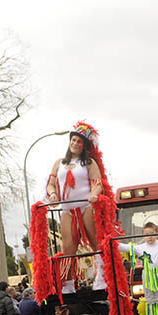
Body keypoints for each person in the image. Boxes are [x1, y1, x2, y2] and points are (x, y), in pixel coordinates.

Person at [45, 121, 105, 293]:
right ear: (69, 141)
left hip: (86, 206)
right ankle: (68, 283)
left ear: (84, 145)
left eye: (79, 141)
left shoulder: (89, 162)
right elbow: (51, 184)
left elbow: (97, 183)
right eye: (73, 140)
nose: (75, 143)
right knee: (68, 248)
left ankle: (101, 276)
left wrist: (94, 194)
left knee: (95, 243)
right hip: (67, 210)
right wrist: (53, 194)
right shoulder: (59, 163)